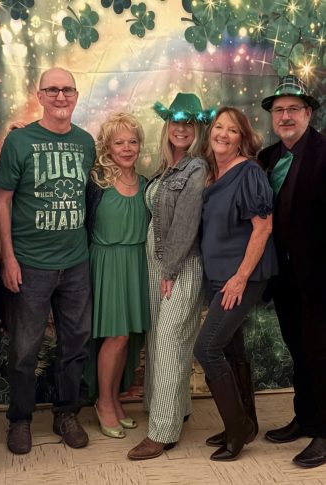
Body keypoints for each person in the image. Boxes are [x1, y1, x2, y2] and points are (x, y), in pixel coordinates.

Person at [0, 67, 96, 455]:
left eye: (67, 89)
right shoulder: (20, 142)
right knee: (24, 349)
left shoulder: (85, 142)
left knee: (75, 344)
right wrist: (8, 257)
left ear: (76, 95)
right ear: (40, 96)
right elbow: (2, 200)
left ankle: (66, 413)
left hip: (76, 263)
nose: (60, 96)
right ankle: (20, 419)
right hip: (31, 263)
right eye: (52, 90)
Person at [127, 93, 211, 460]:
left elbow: (186, 224)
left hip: (180, 263)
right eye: (176, 121)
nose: (181, 128)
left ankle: (162, 432)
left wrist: (171, 268)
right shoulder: (166, 169)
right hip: (156, 262)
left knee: (169, 340)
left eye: (189, 123)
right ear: (167, 126)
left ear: (198, 129)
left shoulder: (197, 168)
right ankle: (174, 409)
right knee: (159, 337)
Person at [193, 106, 278, 461]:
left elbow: (263, 227)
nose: (223, 134)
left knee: (207, 349)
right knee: (231, 349)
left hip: (243, 276)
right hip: (219, 275)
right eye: (218, 127)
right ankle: (245, 422)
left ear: (242, 138)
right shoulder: (211, 174)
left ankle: (237, 429)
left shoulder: (249, 172)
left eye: (231, 130)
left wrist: (240, 278)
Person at [259, 75, 326, 468]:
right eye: (279, 110)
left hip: (319, 277)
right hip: (283, 276)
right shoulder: (268, 157)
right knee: (298, 350)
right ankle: (305, 418)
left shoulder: (323, 153)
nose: (285, 116)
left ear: (308, 113)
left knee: (321, 352)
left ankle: (324, 431)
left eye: (293, 109)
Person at [85, 113, 150, 439]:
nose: (126, 148)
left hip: (136, 263)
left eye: (132, 142)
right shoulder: (96, 182)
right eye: (119, 142)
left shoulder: (147, 184)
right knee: (116, 336)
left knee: (128, 338)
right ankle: (103, 403)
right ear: (107, 147)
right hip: (107, 264)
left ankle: (114, 399)